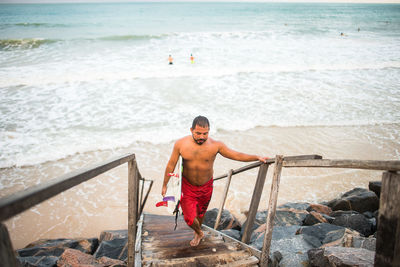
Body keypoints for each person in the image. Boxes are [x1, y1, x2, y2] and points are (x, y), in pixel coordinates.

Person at [161, 116, 269, 246]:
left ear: (209, 131)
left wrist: (256, 157)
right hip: (187, 186)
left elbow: (236, 155)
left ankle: (197, 233)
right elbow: (170, 165)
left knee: (201, 213)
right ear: (191, 130)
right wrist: (164, 184)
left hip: (206, 186)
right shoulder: (181, 144)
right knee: (189, 218)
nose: (201, 136)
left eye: (205, 133)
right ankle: (199, 231)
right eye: (198, 133)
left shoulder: (216, 145)